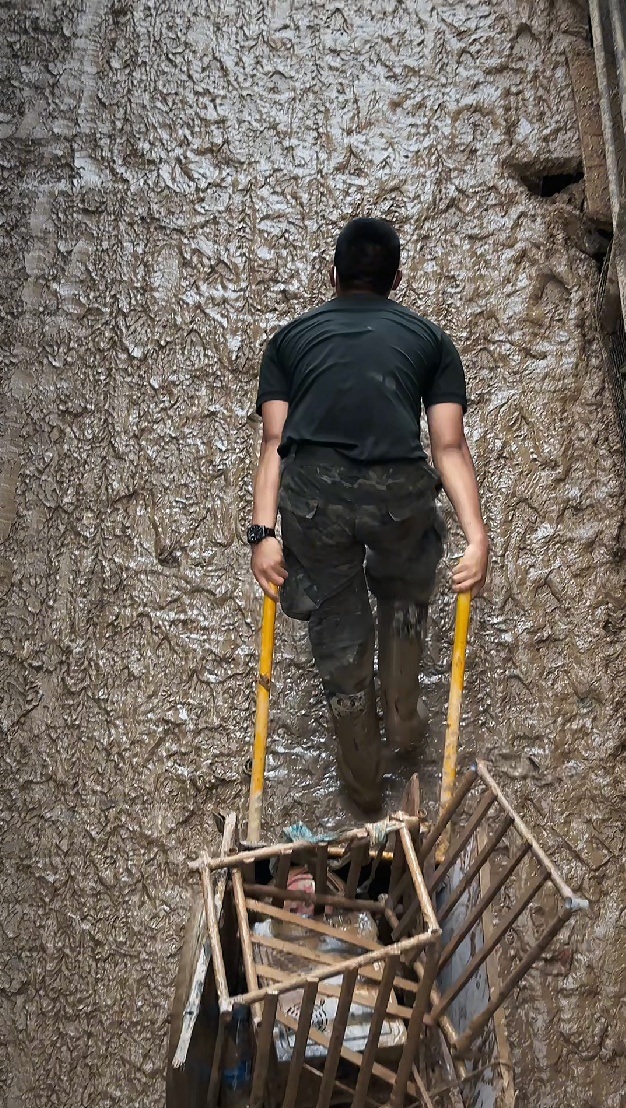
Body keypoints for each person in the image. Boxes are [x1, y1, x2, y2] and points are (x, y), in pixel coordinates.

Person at [247, 217, 489, 812]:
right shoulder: (431, 341)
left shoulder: (288, 341)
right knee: (404, 599)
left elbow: (275, 442)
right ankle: (406, 722)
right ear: (397, 279)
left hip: (315, 504)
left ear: (332, 276)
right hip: (397, 497)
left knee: (340, 641)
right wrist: (477, 538)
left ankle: (363, 794)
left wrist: (263, 534)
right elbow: (448, 447)